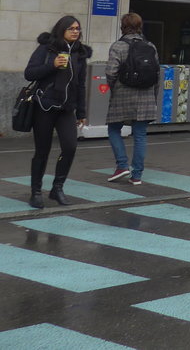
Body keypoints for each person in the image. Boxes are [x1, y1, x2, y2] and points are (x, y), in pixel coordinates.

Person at [24, 15, 90, 208]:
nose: (75, 31)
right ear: (61, 30)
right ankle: (36, 192)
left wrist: (82, 113)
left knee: (70, 147)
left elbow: (81, 85)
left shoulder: (80, 53)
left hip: (66, 108)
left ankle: (57, 188)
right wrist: (51, 66)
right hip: (44, 106)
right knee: (42, 151)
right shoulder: (46, 48)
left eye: (77, 28)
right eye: (71, 28)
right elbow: (29, 73)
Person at [105, 12, 160, 185]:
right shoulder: (150, 46)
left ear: (123, 26)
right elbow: (156, 74)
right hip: (146, 96)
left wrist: (114, 89)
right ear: (140, 26)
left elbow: (110, 72)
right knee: (140, 135)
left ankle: (122, 165)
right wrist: (153, 96)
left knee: (114, 129)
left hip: (123, 94)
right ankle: (137, 176)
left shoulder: (118, 46)